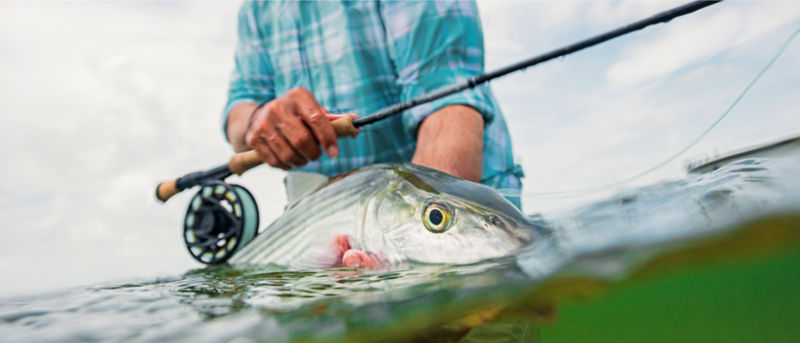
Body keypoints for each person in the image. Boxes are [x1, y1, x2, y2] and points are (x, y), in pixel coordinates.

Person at [222, 0, 524, 208]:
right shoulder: (255, 8)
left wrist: (398, 238)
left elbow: (446, 101)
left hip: (458, 197)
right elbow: (239, 112)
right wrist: (257, 122)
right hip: (325, 223)